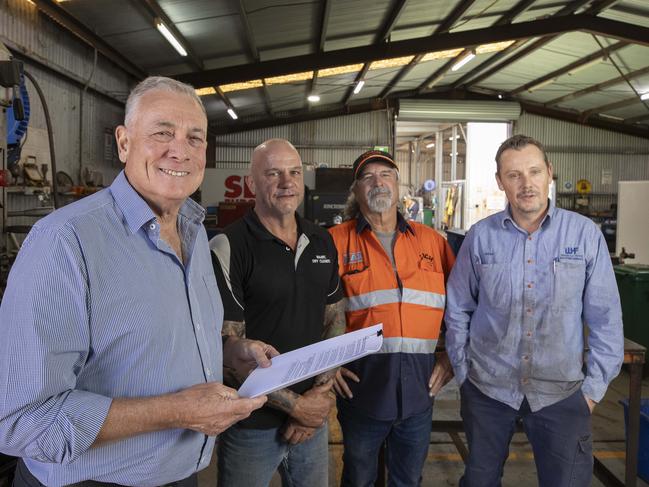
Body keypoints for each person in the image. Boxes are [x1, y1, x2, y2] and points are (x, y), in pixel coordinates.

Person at [0, 76, 277, 487]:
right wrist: (175, 411)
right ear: (124, 142)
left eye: (195, 138)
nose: (179, 150)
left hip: (183, 474)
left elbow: (154, 342)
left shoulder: (195, 232)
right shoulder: (65, 241)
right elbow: (22, 420)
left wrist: (228, 353)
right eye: (162, 132)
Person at [444, 134, 624, 487]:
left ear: (549, 173)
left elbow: (606, 319)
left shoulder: (585, 235)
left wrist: (592, 391)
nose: (526, 184)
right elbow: (458, 309)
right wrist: (464, 374)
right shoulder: (480, 237)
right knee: (479, 481)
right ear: (500, 182)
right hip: (488, 390)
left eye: (534, 171)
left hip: (561, 393)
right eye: (513, 175)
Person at [210, 138, 345, 487]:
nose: (287, 183)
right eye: (274, 173)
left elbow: (334, 321)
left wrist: (318, 398)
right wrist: (296, 406)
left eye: (294, 172)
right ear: (252, 184)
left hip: (312, 423)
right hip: (250, 422)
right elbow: (228, 351)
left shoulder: (321, 240)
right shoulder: (229, 246)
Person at [329, 150, 455, 487]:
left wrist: (452, 356)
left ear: (398, 187)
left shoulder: (432, 242)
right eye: (368, 176)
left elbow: (463, 308)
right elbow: (310, 309)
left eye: (386, 174)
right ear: (356, 191)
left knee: (408, 479)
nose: (378, 182)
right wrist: (326, 364)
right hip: (362, 392)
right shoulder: (334, 242)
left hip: (418, 392)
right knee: (358, 478)